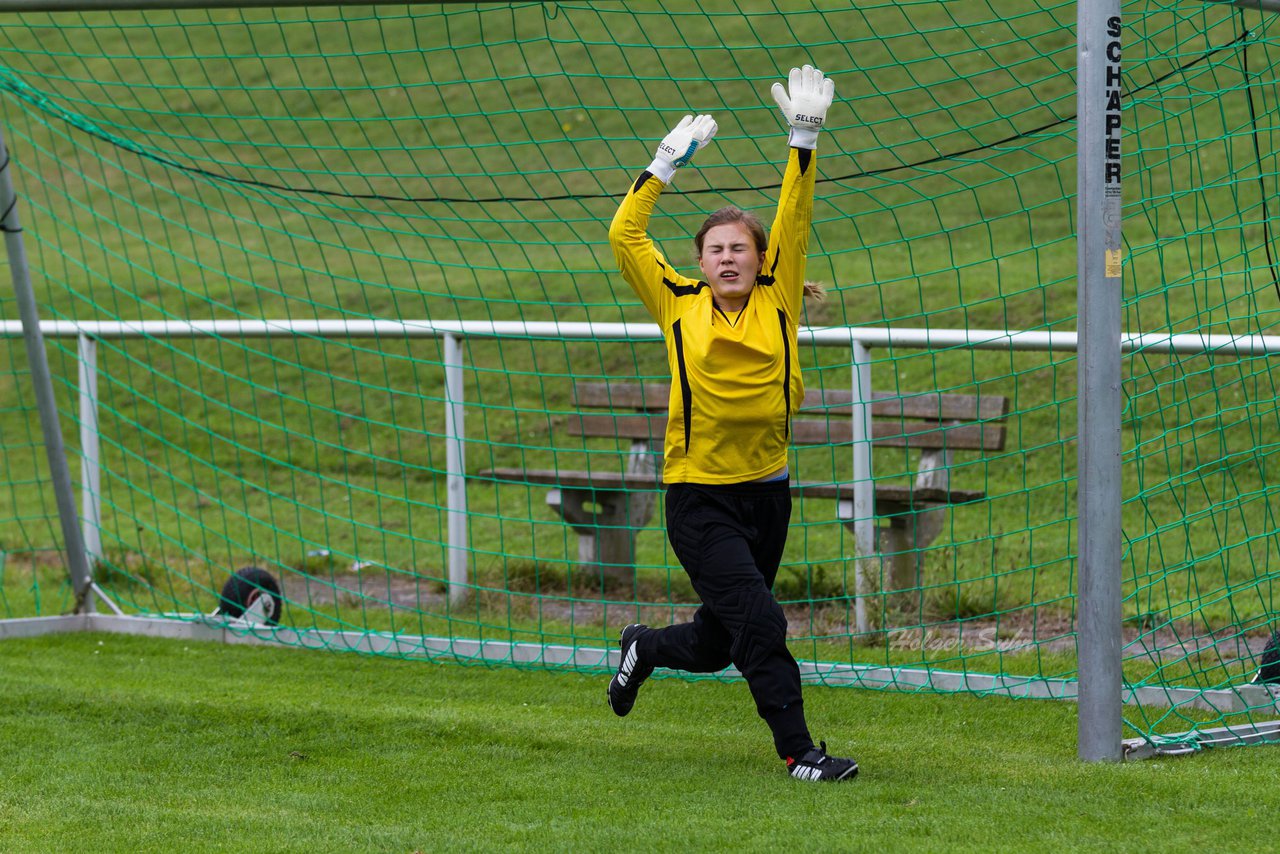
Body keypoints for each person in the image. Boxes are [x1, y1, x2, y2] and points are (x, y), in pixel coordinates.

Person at [605, 65, 857, 782]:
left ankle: (643, 648)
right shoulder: (675, 301)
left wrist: (803, 137)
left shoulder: (780, 297)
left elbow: (796, 211)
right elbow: (625, 234)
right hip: (699, 497)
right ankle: (800, 754)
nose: (727, 258)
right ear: (700, 262)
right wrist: (662, 166)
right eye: (715, 249)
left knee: (720, 643)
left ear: (760, 258)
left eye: (739, 247)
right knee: (764, 624)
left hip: (767, 495)